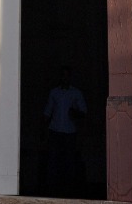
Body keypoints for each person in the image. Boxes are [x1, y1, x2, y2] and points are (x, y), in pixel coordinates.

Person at [43, 66, 88, 197]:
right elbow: (48, 111)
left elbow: (84, 111)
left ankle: (69, 191)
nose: (65, 78)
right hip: (55, 130)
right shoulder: (54, 93)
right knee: (53, 160)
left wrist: (75, 112)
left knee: (69, 161)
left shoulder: (76, 93)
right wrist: (42, 129)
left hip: (69, 132)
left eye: (67, 75)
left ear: (70, 77)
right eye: (63, 75)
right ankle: (51, 190)